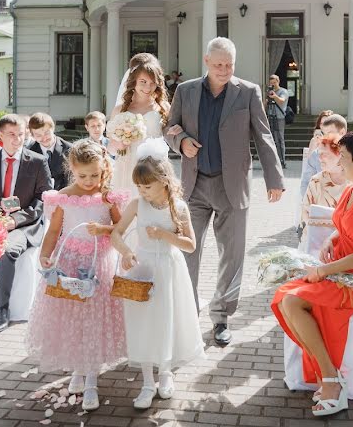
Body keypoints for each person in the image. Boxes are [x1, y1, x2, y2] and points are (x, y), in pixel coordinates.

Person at [165, 37, 284, 347]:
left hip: (233, 187)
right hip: (194, 185)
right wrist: (181, 144)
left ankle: (221, 317)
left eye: (229, 65)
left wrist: (275, 178)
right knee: (187, 252)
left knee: (231, 257)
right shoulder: (185, 90)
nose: (224, 70)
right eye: (218, 65)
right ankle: (187, 314)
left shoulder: (248, 92)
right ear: (206, 61)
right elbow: (170, 127)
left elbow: (264, 135)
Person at [271, 131, 353, 417]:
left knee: (292, 301)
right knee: (284, 297)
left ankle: (331, 378)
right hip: (342, 266)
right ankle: (329, 374)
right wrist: (331, 239)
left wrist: (323, 270)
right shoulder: (352, 190)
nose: (339, 162)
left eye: (344, 157)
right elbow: (345, 224)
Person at [27, 139, 128, 412]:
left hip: (99, 264)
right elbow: (53, 231)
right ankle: (78, 369)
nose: (89, 180)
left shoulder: (108, 196)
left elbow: (120, 226)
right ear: (72, 168)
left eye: (95, 174)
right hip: (70, 262)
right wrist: (45, 254)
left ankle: (92, 376)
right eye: (83, 175)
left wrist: (104, 230)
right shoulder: (62, 196)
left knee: (94, 317)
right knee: (73, 316)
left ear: (103, 168)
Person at [106, 139, 205, 409]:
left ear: (163, 181)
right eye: (139, 186)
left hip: (170, 270)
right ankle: (147, 381)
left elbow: (191, 245)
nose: (142, 191)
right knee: (143, 324)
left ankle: (166, 373)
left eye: (147, 186)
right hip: (143, 268)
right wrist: (126, 252)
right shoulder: (137, 205)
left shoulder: (178, 207)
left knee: (166, 321)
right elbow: (116, 233)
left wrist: (164, 234)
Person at [0, 114, 53, 330]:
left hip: (26, 225)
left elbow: (42, 200)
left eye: (21, 135)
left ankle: (2, 308)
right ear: (0, 136)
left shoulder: (37, 162)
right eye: (11, 135)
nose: (17, 139)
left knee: (6, 251)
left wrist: (15, 220)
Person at [108, 53, 169, 197]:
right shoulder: (121, 110)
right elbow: (110, 147)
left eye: (153, 82)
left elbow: (171, 138)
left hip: (154, 167)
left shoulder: (163, 108)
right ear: (133, 81)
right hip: (127, 166)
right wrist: (120, 143)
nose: (148, 87)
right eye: (143, 81)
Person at [299, 134, 349, 253]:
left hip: (348, 242)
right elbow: (305, 213)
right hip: (318, 243)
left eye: (324, 154)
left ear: (339, 155)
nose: (320, 158)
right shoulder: (316, 180)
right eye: (318, 153)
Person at [298, 112, 346, 214]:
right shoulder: (316, 154)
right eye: (324, 133)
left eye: (330, 133)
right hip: (321, 209)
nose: (326, 137)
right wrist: (311, 208)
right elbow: (305, 182)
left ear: (342, 132)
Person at [28, 112, 72, 191]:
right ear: (32, 136)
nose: (44, 138)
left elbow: (71, 178)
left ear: (53, 129)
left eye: (47, 133)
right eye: (38, 135)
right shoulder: (29, 152)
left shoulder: (69, 149)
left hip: (63, 195)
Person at [265, 75, 290, 169]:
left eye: (274, 83)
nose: (273, 85)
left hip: (279, 117)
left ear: (278, 81)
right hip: (270, 116)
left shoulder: (283, 91)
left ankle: (282, 160)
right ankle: (272, 160)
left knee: (279, 138)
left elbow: (282, 101)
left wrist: (274, 96)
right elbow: (265, 104)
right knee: (271, 138)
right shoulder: (270, 92)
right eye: (271, 83)